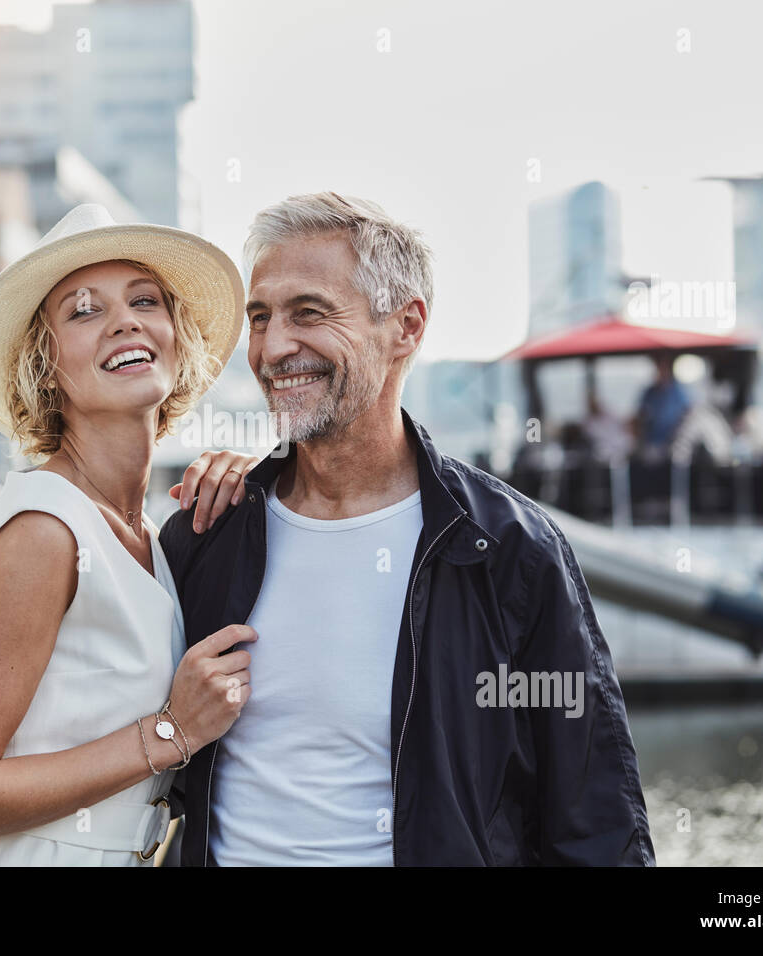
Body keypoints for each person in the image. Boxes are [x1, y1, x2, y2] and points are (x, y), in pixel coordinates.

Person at [159, 192, 655, 865]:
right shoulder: (205, 533)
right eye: (260, 317)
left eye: (309, 312)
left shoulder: (512, 553)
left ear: (407, 326)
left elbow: (594, 817)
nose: (274, 347)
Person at [0, 204, 260, 865]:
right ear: (45, 366)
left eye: (144, 300)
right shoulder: (44, 531)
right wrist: (171, 731)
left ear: (175, 336)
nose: (124, 320)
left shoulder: (149, 536)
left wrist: (257, 481)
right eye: (84, 310)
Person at [634, 353, 693, 455]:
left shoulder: (679, 392)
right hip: (652, 441)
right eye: (658, 368)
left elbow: (687, 414)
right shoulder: (650, 392)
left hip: (675, 441)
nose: (660, 372)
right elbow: (641, 414)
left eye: (663, 368)